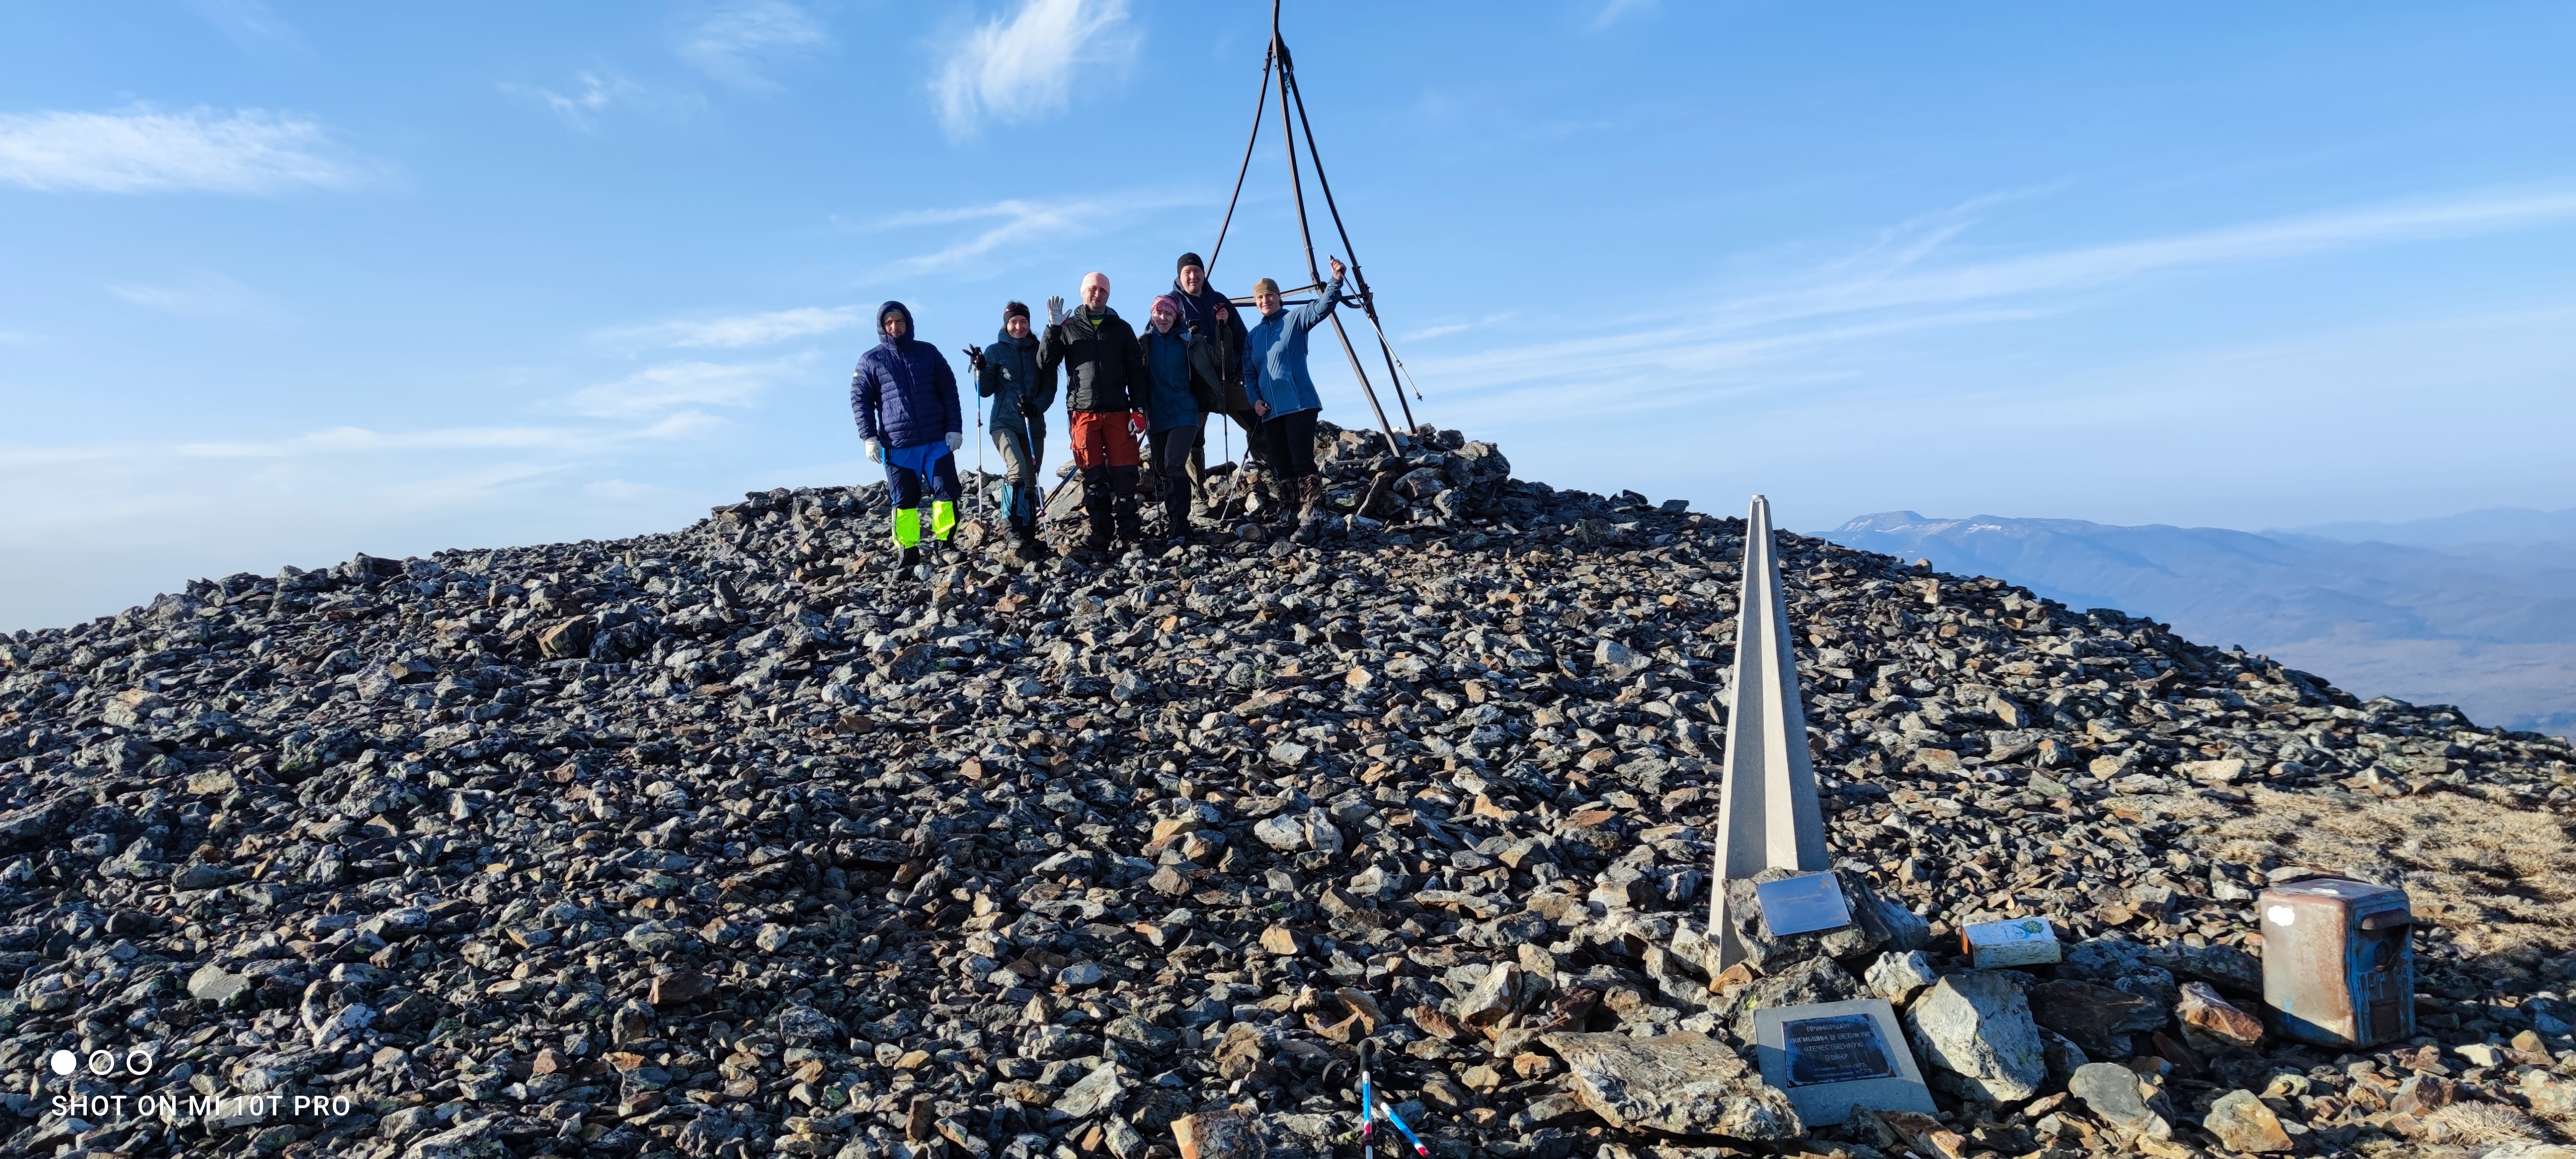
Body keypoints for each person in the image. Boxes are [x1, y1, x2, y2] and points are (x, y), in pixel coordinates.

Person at [1040, 271, 1150, 553]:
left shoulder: (1122, 329)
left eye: (1102, 290)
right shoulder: (1067, 326)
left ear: (1108, 295)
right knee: (1094, 477)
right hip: (1083, 412)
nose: (1097, 294)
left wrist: (1139, 409)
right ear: (1082, 292)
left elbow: (1137, 373)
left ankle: (1130, 534)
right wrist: (1053, 328)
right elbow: (1046, 363)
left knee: (1125, 476)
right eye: (1092, 289)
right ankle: (1100, 534)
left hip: (1118, 411)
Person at [850, 301, 963, 573]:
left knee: (945, 492)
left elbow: (949, 390)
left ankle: (945, 543)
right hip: (898, 444)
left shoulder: (929, 353)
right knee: (904, 499)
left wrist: (955, 427)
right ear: (882, 327)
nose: (894, 327)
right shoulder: (871, 360)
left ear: (908, 323)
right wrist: (869, 437)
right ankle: (909, 550)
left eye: (899, 321)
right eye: (888, 322)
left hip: (937, 439)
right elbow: (860, 400)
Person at [1242, 257, 1347, 545]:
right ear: (1256, 302)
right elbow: (1249, 373)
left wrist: (1336, 281)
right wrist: (1255, 400)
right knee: (1281, 465)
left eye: (1270, 295)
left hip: (1300, 403)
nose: (1266, 301)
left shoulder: (1296, 318)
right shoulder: (1253, 337)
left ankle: (1314, 513)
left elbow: (1323, 307)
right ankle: (1289, 513)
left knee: (1302, 460)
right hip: (1271, 411)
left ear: (1279, 297)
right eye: (1260, 297)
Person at [967, 301, 1057, 562]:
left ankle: (1028, 536)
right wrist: (981, 368)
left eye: (1023, 322)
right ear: (1006, 324)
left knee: (1031, 477)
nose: (1018, 327)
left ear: (1029, 325)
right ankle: (1011, 530)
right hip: (1004, 422)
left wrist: (1036, 407)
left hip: (1034, 424)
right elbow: (984, 391)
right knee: (1017, 470)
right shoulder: (995, 351)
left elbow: (1049, 388)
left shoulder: (1041, 352)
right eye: (1013, 322)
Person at [1168, 253, 1253, 515]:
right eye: (1187, 272)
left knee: (1257, 421)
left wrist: (1243, 369)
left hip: (1227, 381)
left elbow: (1243, 339)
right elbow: (1156, 338)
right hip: (1193, 386)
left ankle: (1268, 477)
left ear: (1204, 273)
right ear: (1180, 277)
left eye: (1197, 271)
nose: (1193, 276)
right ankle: (1198, 493)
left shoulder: (1220, 301)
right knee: (1194, 439)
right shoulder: (1171, 304)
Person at [1137, 294, 1224, 546]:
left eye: (1169, 313)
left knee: (1174, 465)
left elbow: (1219, 360)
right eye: (1158, 312)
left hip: (1186, 411)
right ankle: (1176, 525)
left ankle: (1180, 526)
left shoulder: (1189, 341)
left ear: (1176, 316)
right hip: (1158, 414)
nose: (1163, 318)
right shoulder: (1143, 343)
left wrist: (1222, 330)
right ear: (1152, 315)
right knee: (1162, 469)